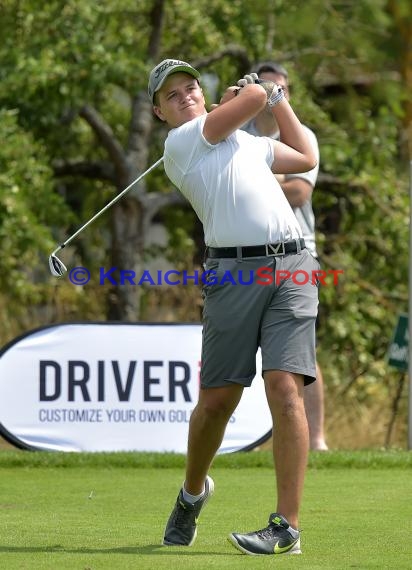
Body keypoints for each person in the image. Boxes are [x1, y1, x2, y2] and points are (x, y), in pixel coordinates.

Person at [147, 58, 319, 556]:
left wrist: (278, 100)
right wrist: (257, 91)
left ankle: (286, 526)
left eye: (191, 88)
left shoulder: (248, 143)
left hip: (293, 264)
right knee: (217, 402)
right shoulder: (181, 144)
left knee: (285, 385)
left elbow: (305, 156)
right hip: (232, 274)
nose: (185, 97)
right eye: (172, 95)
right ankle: (192, 492)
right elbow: (248, 103)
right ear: (160, 113)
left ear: (203, 93)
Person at [242, 61, 328, 451]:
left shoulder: (302, 134)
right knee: (257, 355)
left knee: (300, 355)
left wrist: (257, 179)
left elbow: (299, 193)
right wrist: (275, 179)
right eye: (268, 89)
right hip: (245, 257)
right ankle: (260, 437)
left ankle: (318, 439)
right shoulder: (237, 133)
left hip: (298, 254)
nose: (277, 97)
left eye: (283, 90)